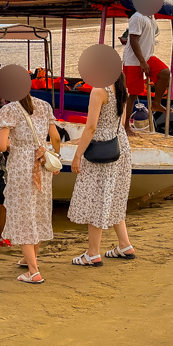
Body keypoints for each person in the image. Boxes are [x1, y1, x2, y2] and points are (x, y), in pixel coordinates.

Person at [68, 73, 134, 267]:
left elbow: (91, 127)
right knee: (114, 196)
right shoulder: (122, 88)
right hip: (119, 145)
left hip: (102, 148)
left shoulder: (99, 91)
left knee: (97, 198)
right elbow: (121, 123)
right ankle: (124, 245)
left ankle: (92, 253)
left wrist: (78, 155)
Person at [0, 93, 61, 284]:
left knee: (23, 213)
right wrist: (55, 155)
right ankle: (29, 258)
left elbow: (1, 145)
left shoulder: (9, 109)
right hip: (42, 162)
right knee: (38, 210)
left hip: (21, 166)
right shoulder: (44, 105)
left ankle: (33, 272)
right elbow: (55, 137)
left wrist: (11, 146)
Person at [122, 10, 170, 119]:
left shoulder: (151, 16)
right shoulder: (138, 17)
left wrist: (144, 61)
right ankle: (126, 125)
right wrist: (142, 62)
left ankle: (156, 103)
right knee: (132, 94)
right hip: (133, 60)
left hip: (148, 56)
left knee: (165, 73)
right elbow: (134, 40)